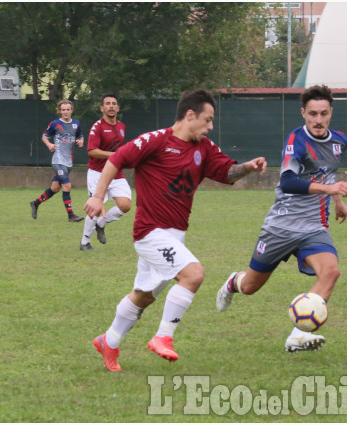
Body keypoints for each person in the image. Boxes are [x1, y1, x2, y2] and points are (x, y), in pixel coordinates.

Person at [84, 89, 267, 371]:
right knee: (193, 274)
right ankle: (162, 337)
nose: (210, 126)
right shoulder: (155, 140)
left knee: (143, 296)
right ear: (190, 115)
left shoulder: (204, 147)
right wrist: (97, 196)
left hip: (175, 236)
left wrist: (248, 167)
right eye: (207, 120)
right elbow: (115, 160)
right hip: (149, 232)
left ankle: (108, 341)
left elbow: (226, 171)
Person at [215, 84, 347, 353]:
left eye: (323, 114)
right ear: (303, 113)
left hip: (314, 225)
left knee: (331, 271)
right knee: (251, 286)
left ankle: (297, 335)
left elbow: (329, 172)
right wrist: (330, 190)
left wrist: (336, 200)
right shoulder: (297, 141)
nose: (317, 120)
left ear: (330, 113)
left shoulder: (340, 140)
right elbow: (288, 182)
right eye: (312, 113)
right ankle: (233, 282)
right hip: (282, 225)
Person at [79, 94, 132, 251]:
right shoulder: (97, 127)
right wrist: (114, 156)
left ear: (118, 108)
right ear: (102, 108)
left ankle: (101, 224)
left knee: (125, 205)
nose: (111, 106)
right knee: (95, 208)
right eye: (107, 104)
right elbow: (91, 151)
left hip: (115, 172)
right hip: (97, 173)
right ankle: (84, 242)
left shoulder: (122, 127)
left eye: (113, 104)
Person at [30, 100, 85, 222]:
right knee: (67, 186)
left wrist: (81, 141)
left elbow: (80, 136)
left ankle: (35, 203)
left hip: (68, 161)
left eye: (68, 109)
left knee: (55, 188)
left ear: (71, 110)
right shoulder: (55, 123)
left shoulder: (76, 123)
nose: (65, 112)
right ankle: (71, 215)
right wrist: (49, 144)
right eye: (63, 110)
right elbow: (44, 136)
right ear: (60, 111)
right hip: (58, 160)